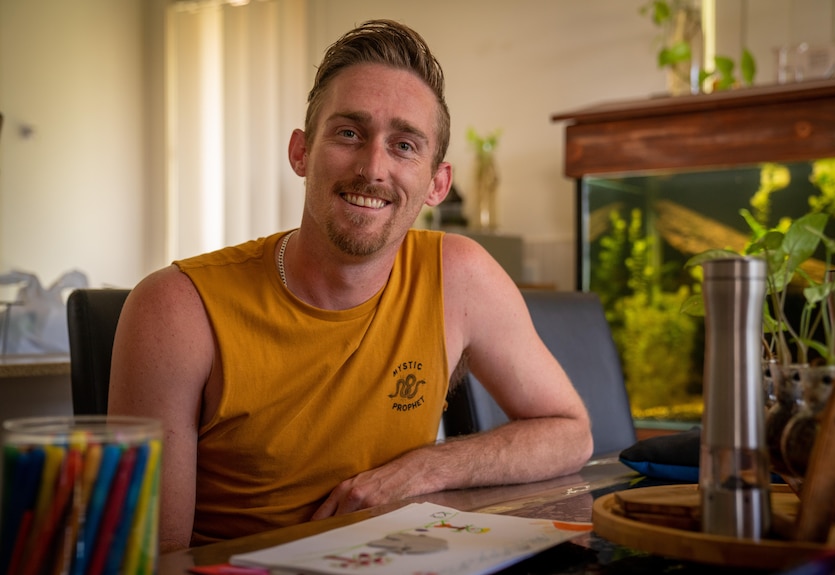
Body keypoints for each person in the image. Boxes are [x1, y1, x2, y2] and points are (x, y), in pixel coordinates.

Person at [109, 18, 593, 553]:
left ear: (437, 183)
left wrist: (426, 467)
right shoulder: (175, 308)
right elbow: (151, 557)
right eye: (348, 133)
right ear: (301, 152)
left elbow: (570, 431)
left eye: (404, 145)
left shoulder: (460, 275)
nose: (373, 168)